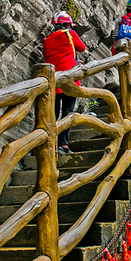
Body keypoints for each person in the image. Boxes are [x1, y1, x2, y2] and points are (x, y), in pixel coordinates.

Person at [43, 11, 86, 154]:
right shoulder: (69, 34)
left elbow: (57, 57)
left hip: (54, 80)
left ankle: (48, 143)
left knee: (53, 113)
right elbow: (82, 48)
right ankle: (63, 144)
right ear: (67, 24)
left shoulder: (47, 40)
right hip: (69, 79)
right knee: (67, 112)